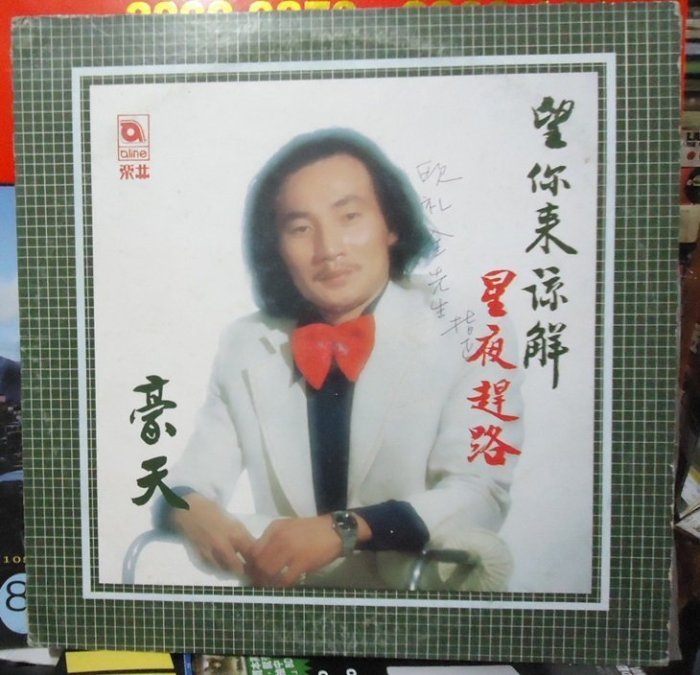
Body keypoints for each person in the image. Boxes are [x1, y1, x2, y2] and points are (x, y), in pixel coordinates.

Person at [157, 127, 523, 590]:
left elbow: (480, 492)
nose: (329, 249)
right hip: (287, 604)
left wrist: (344, 529)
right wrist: (189, 508)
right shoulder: (245, 343)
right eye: (300, 228)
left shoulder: (469, 328)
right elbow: (191, 478)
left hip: (418, 600)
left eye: (349, 216)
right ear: (277, 247)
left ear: (391, 224)